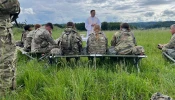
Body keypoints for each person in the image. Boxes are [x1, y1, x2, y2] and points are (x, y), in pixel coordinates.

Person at [0, 0, 20, 95]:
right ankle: (5, 93)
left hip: (4, 31)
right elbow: (13, 6)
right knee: (6, 62)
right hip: (2, 33)